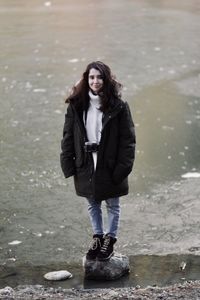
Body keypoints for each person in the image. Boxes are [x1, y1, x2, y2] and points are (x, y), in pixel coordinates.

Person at [60, 61, 136, 261]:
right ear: (86, 79)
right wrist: (68, 164)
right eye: (92, 77)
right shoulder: (77, 106)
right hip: (85, 163)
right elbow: (68, 136)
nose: (95, 81)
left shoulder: (119, 107)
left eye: (99, 77)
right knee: (92, 204)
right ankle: (97, 237)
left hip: (110, 164)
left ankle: (109, 241)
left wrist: (122, 169)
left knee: (112, 204)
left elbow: (128, 141)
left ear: (106, 79)